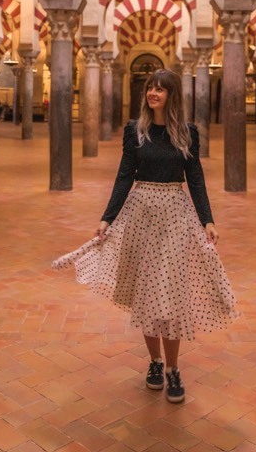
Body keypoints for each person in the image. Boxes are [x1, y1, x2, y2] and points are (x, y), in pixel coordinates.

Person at [53, 69, 237, 404]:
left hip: (175, 216)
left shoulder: (187, 133)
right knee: (148, 295)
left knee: (172, 295)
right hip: (141, 217)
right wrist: (106, 218)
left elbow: (195, 179)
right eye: (150, 88)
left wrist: (207, 219)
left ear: (172, 95)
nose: (153, 93)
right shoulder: (134, 131)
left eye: (160, 89)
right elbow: (125, 176)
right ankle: (155, 363)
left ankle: (173, 368)